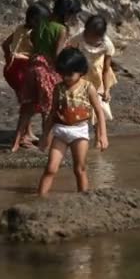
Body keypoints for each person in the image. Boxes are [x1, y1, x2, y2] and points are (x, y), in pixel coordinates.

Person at [11, 0, 82, 152]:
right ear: (67, 13)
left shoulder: (41, 22)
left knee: (26, 110)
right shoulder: (61, 29)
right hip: (47, 71)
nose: (73, 18)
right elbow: (57, 54)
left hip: (32, 68)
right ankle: (45, 146)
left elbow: (34, 42)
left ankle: (14, 145)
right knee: (48, 111)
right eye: (73, 15)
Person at [37, 48, 109, 197]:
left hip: (79, 133)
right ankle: (40, 197)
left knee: (79, 169)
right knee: (50, 168)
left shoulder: (88, 87)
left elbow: (99, 111)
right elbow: (52, 113)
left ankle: (83, 198)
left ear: (81, 71)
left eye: (70, 74)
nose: (66, 77)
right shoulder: (58, 88)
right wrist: (45, 136)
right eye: (63, 74)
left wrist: (103, 135)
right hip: (60, 132)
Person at [1, 3, 50, 145]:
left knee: (25, 102)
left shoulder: (19, 29)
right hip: (24, 70)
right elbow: (37, 53)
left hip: (11, 69)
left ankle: (28, 133)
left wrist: (9, 58)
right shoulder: (33, 34)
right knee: (30, 103)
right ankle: (23, 137)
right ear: (35, 20)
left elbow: (5, 44)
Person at [67, 15, 118, 143]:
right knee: (78, 104)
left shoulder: (107, 45)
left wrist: (106, 90)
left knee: (98, 108)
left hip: (97, 77)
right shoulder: (78, 38)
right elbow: (70, 55)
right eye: (86, 33)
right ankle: (76, 136)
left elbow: (106, 69)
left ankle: (98, 137)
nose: (87, 38)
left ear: (99, 36)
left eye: (91, 37)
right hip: (81, 76)